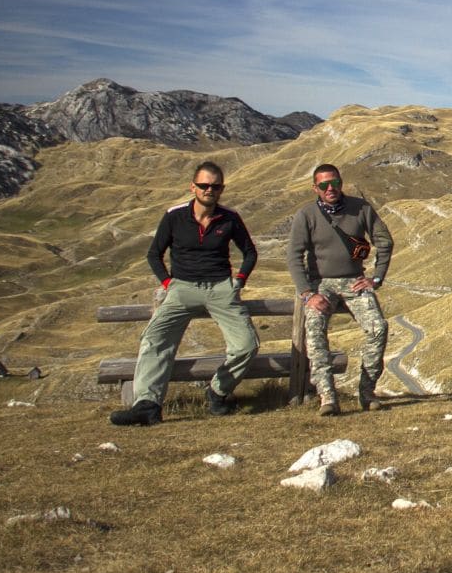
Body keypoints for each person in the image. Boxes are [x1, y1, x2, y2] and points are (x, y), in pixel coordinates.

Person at [109, 161, 258, 426]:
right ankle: (147, 405)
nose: (209, 190)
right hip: (182, 288)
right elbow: (154, 253)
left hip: (220, 288)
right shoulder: (174, 216)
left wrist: (239, 281)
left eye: (215, 186)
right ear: (193, 187)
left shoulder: (230, 218)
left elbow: (250, 252)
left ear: (222, 189)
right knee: (155, 340)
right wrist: (168, 283)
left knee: (247, 344)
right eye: (203, 185)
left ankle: (217, 391)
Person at [286, 163, 394, 416]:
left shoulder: (361, 208)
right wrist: (307, 293)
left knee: (378, 327)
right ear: (315, 188)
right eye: (324, 185)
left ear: (341, 182)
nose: (330, 188)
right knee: (314, 330)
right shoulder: (307, 214)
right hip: (320, 283)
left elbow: (384, 241)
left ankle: (367, 392)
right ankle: (327, 396)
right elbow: (293, 255)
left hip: (355, 280)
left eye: (334, 182)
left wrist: (376, 279)